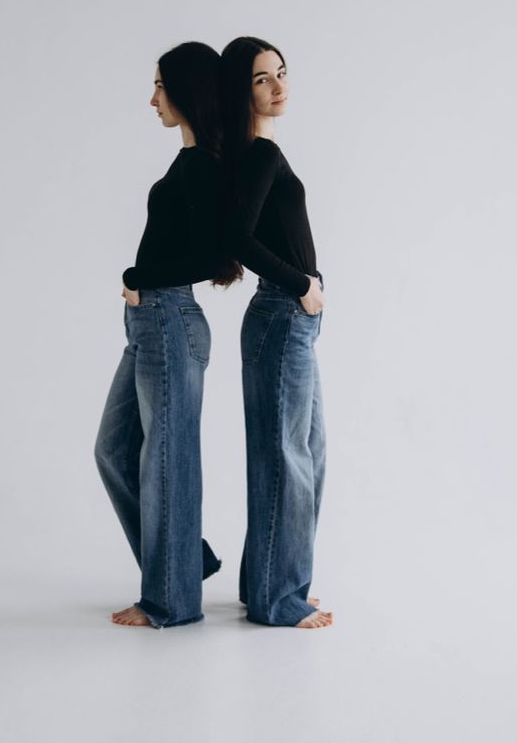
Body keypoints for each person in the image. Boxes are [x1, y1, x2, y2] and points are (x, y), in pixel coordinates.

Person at [94, 41, 239, 628]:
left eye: (160, 86)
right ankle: (185, 560)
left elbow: (211, 256)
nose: (152, 98)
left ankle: (171, 599)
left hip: (168, 320)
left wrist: (138, 277)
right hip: (151, 324)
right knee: (114, 450)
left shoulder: (201, 164)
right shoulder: (189, 163)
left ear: (186, 91)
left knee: (166, 460)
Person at [220, 36, 332, 629]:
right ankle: (276, 598)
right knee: (287, 459)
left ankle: (269, 582)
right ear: (243, 90)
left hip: (292, 321)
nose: (278, 86)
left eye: (282, 73)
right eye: (263, 78)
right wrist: (301, 284)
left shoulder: (258, 152)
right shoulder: (259, 155)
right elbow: (237, 241)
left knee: (305, 456)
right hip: (282, 317)